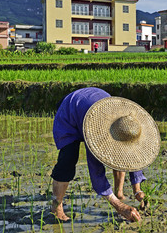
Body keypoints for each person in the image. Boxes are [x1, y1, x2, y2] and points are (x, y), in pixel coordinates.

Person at [50, 87, 160, 222]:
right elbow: (96, 172)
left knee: (121, 152)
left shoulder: (126, 121)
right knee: (68, 159)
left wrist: (137, 190)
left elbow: (132, 157)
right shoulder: (97, 134)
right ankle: (57, 206)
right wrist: (118, 206)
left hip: (96, 103)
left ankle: (119, 193)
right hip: (70, 109)